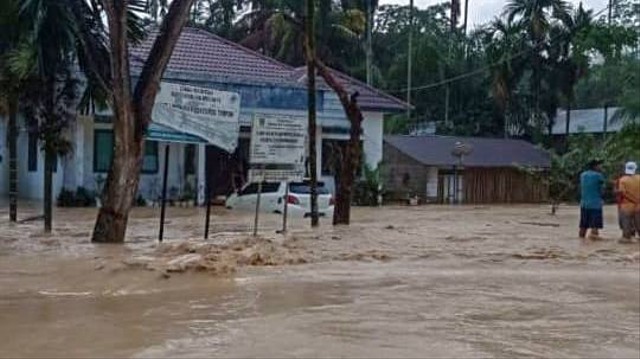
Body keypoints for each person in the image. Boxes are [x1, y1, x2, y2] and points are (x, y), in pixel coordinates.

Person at [579, 160, 605, 239]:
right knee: (595, 226)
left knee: (583, 226)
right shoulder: (598, 176)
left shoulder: (583, 175)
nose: (601, 167)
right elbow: (602, 190)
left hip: (584, 204)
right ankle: (593, 246)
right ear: (595, 166)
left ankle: (581, 241)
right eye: (599, 165)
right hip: (595, 204)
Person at [617, 161, 640, 243]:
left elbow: (622, 193)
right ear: (636, 169)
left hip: (626, 207)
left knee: (626, 236)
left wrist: (632, 200)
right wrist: (637, 201)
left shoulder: (623, 180)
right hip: (638, 207)